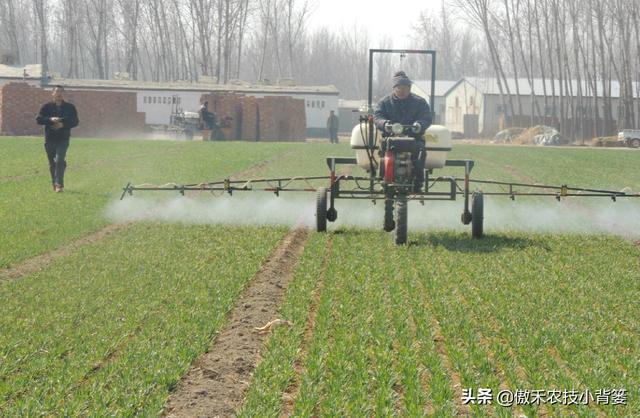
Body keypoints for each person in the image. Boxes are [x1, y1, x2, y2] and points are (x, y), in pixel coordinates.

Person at [373, 70, 432, 192]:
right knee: (383, 153)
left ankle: (418, 182)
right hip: (390, 138)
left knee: (420, 153)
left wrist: (420, 125)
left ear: (409, 88)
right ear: (394, 88)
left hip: (414, 138)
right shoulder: (384, 102)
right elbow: (377, 117)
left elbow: (427, 117)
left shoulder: (419, 102)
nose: (402, 90)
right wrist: (385, 124)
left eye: (405, 87)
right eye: (399, 87)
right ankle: (383, 178)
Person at [36, 85, 79, 193]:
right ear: (52, 93)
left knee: (59, 159)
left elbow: (75, 122)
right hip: (50, 138)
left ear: (63, 94)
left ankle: (59, 184)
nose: (59, 93)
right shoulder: (46, 107)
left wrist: (62, 124)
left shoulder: (70, 107)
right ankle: (55, 183)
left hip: (63, 138)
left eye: (61, 91)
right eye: (57, 91)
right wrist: (50, 119)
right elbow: (39, 119)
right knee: (53, 163)